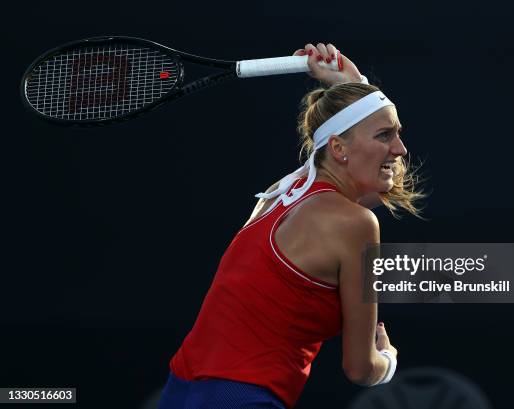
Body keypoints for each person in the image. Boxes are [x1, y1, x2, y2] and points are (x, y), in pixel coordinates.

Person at [158, 42, 423, 409]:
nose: (400, 149)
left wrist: (354, 84)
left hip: (180, 392)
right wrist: (388, 359)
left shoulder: (279, 194)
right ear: (339, 149)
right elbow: (360, 368)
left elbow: (354, 160)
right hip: (243, 399)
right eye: (385, 136)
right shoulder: (356, 224)